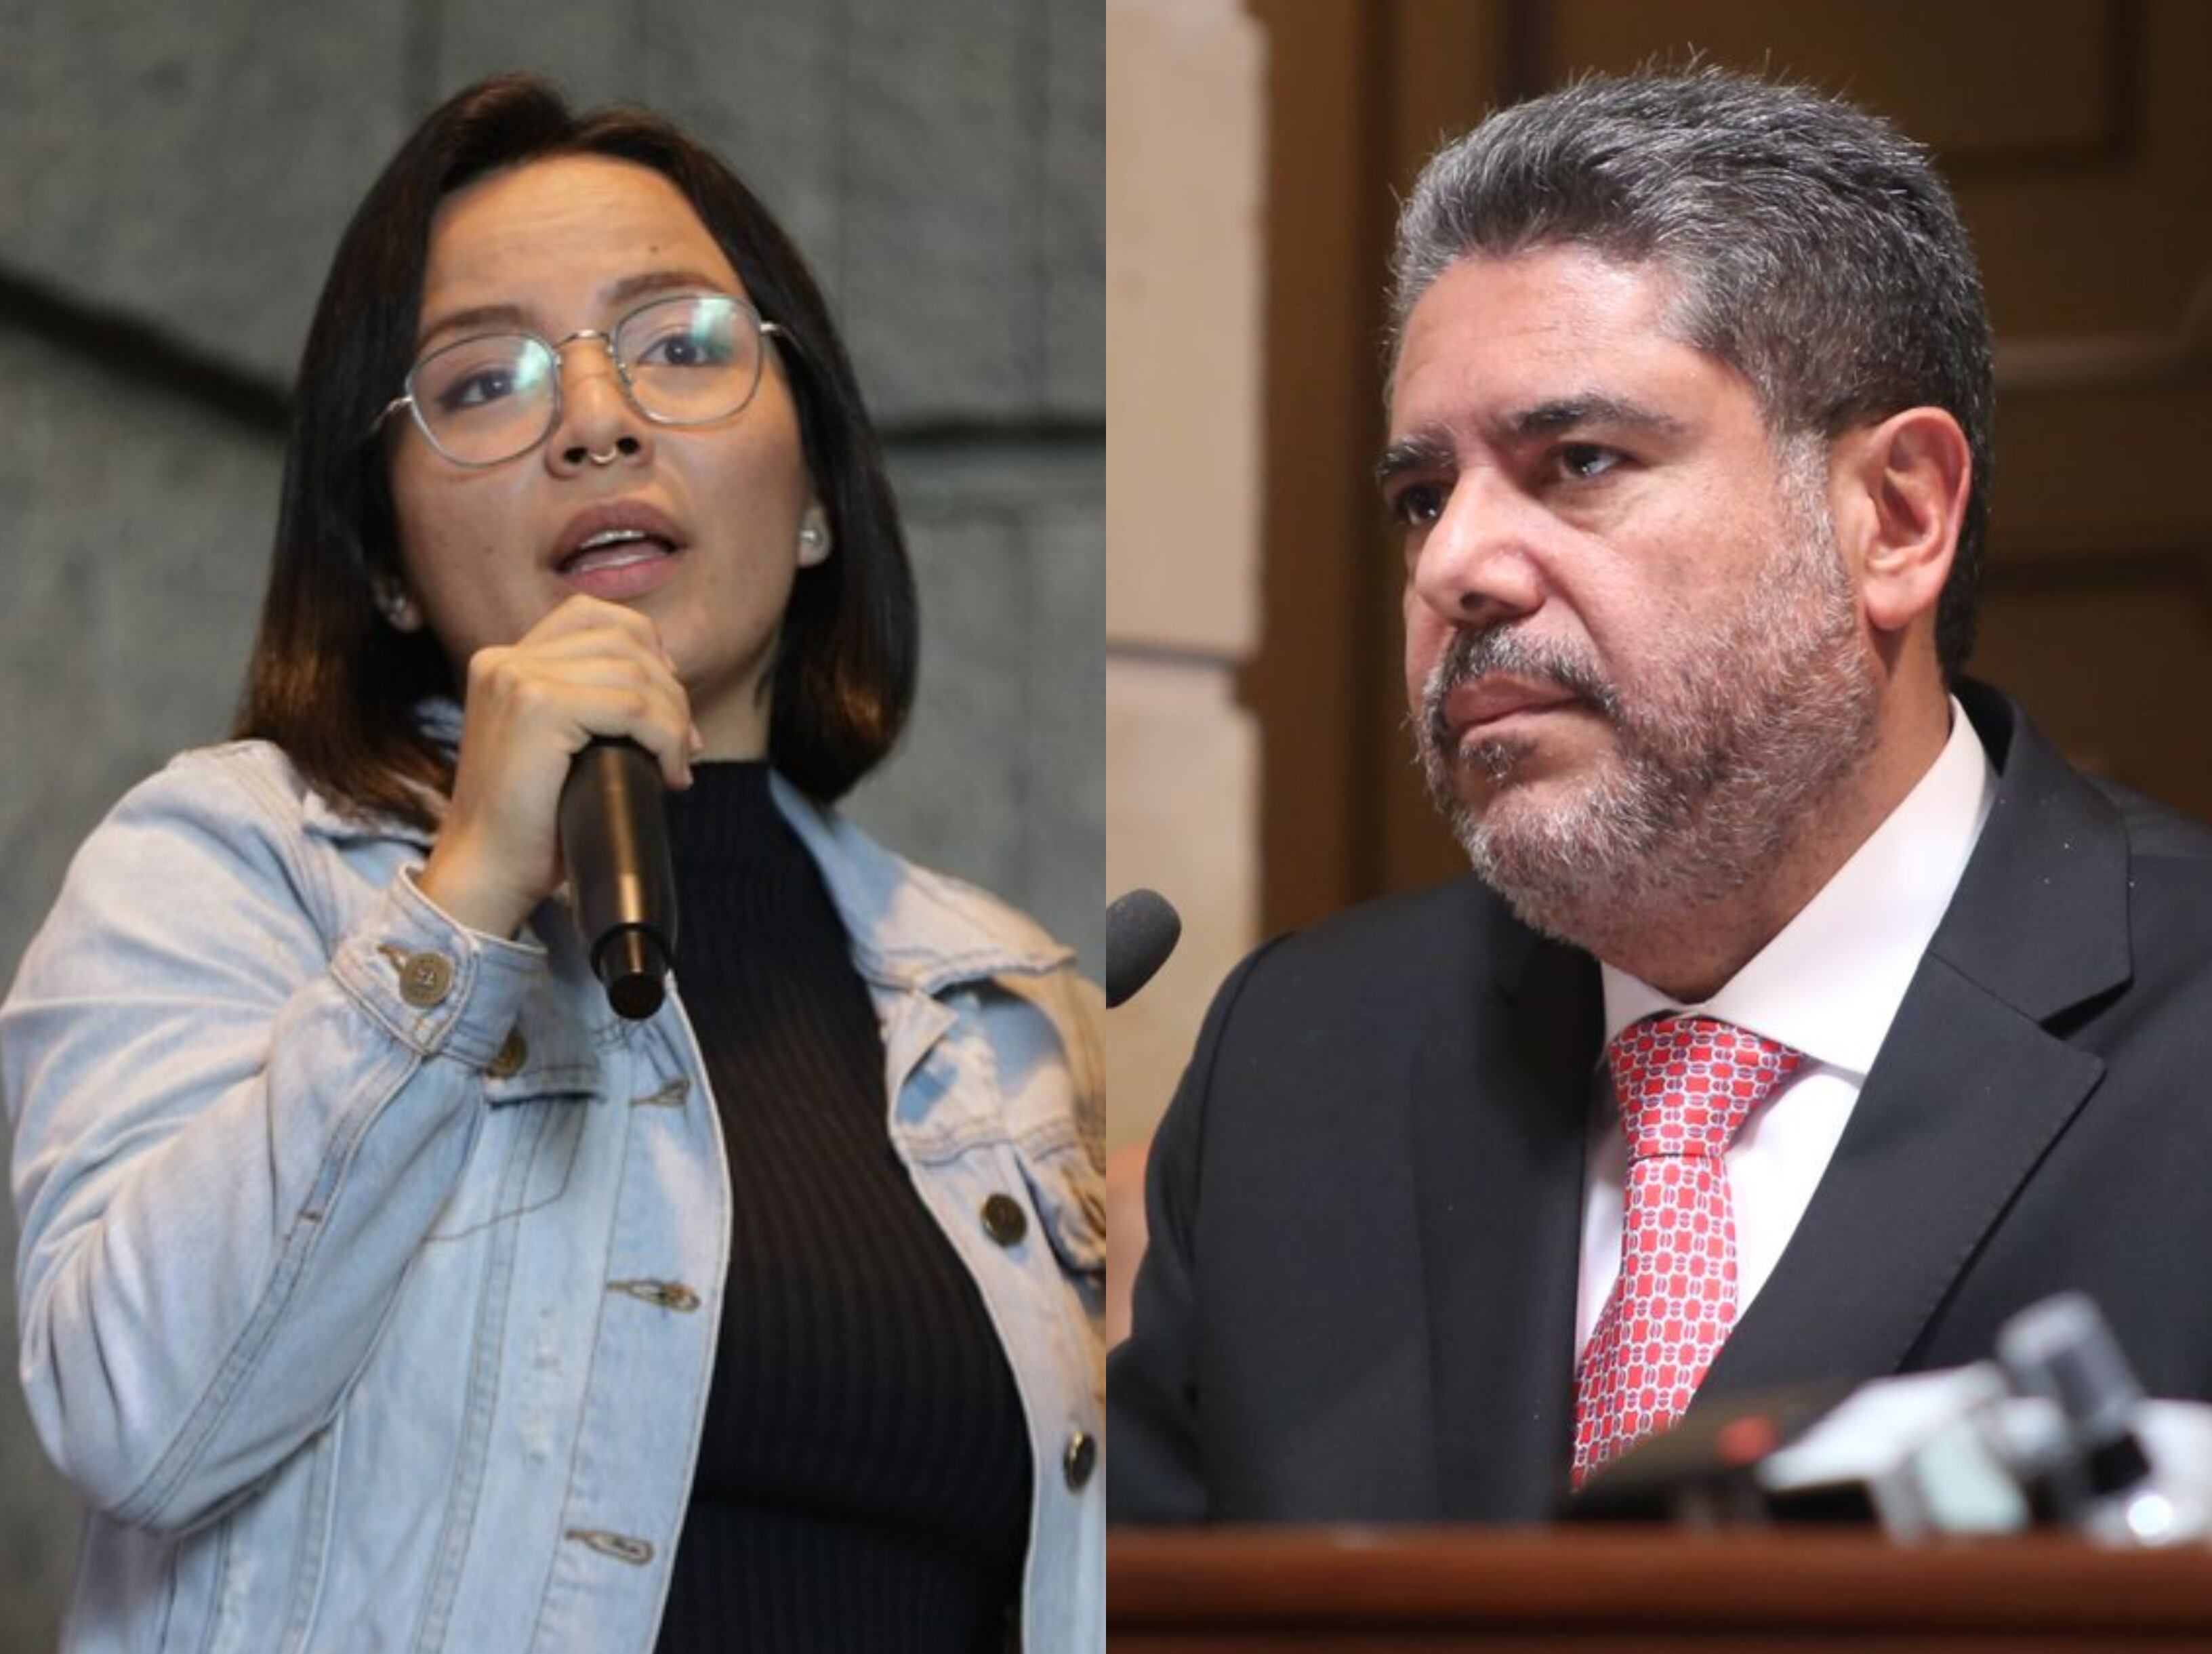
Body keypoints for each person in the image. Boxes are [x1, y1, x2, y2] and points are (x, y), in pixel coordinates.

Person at [3, 73, 1103, 1651]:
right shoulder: (231, 870)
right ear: (382, 559)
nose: (599, 417)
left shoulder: (998, 995)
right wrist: (460, 902)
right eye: (485, 381)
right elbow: (138, 1422)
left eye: (682, 348)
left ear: (813, 502)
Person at [1107, 67, 2212, 1525]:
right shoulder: (1304, 1065)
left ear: (1896, 517)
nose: (1457, 568)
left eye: (1577, 462)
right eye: (1423, 495)